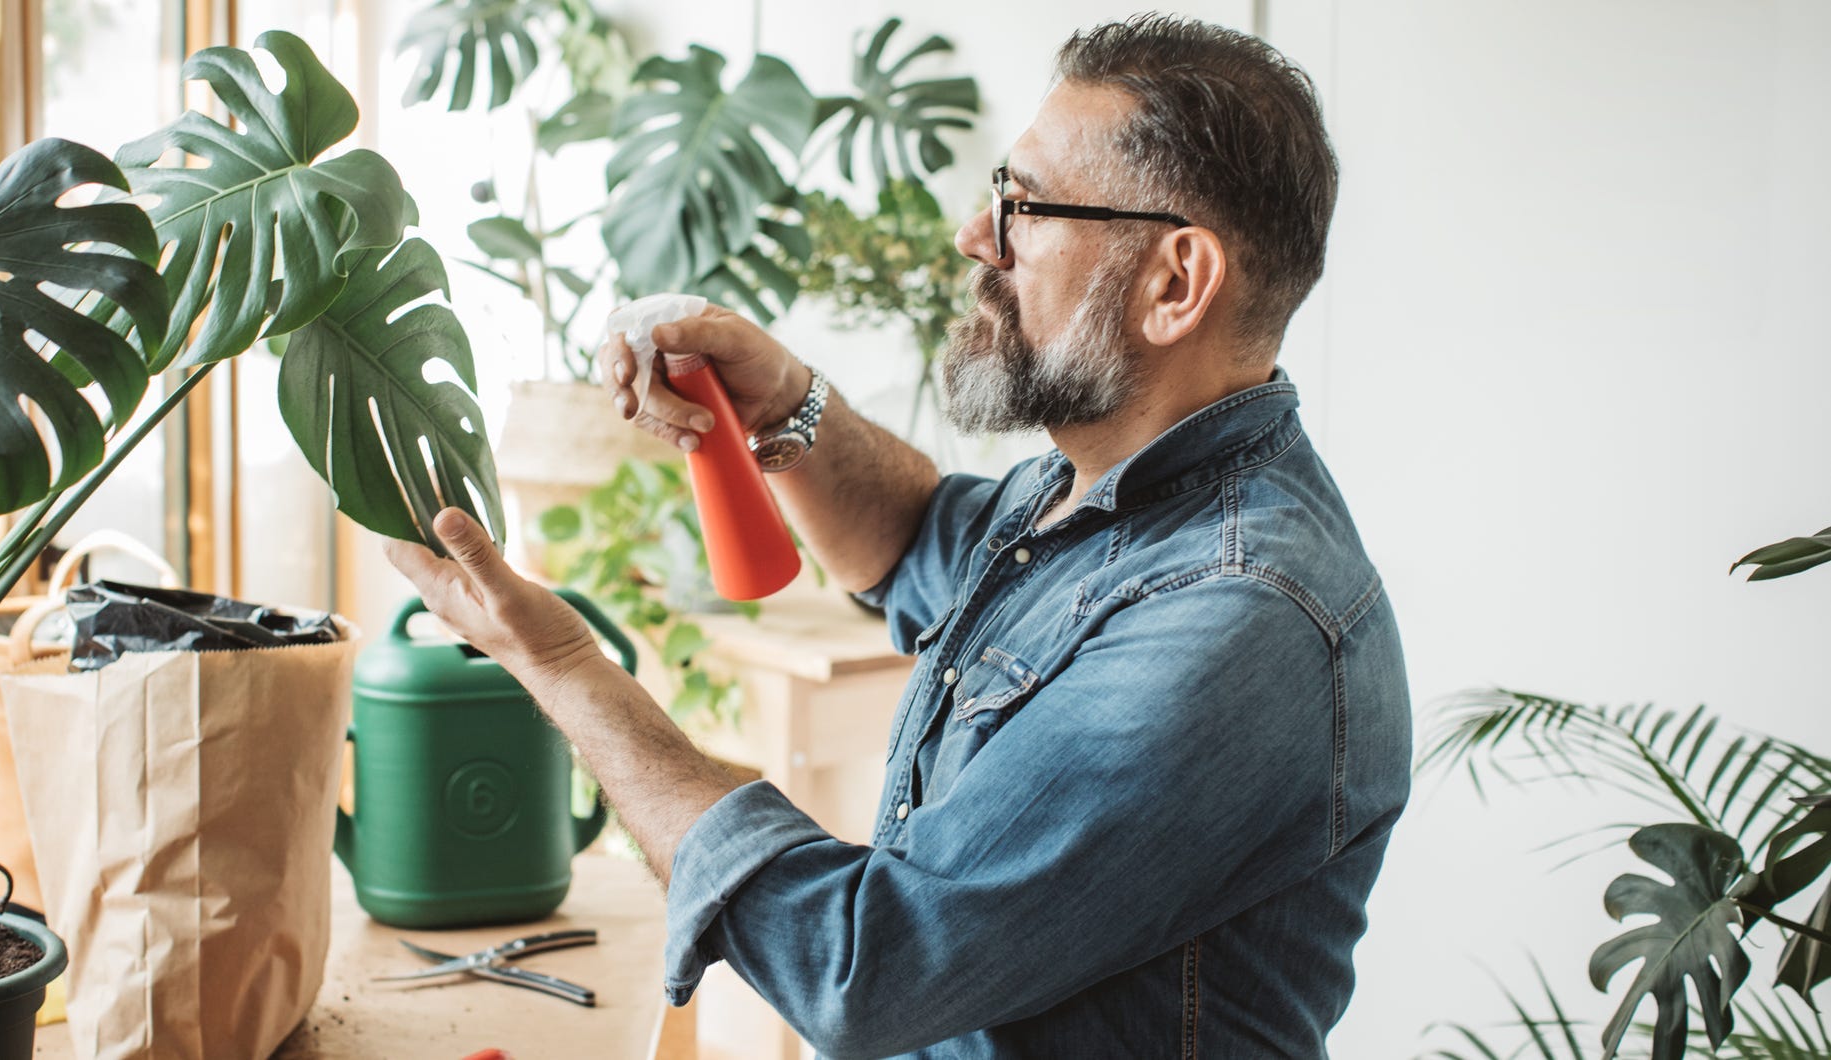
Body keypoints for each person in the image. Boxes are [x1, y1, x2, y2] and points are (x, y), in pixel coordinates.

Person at [387, 13, 1410, 1058]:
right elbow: (919, 540)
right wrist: (782, 399)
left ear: (1175, 282)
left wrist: (560, 665)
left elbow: (863, 963)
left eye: (1023, 206)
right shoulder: (1097, 490)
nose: (978, 237)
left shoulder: (1235, 618)